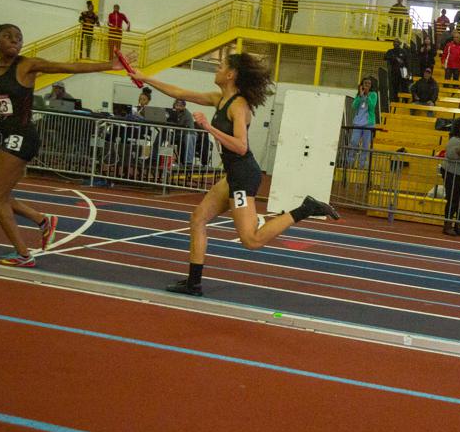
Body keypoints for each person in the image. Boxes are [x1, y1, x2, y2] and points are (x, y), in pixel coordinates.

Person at [131, 52, 340, 295]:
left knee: (251, 240)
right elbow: (179, 93)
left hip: (243, 175)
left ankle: (306, 208)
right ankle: (193, 282)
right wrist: (144, 77)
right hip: (232, 174)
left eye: (220, 66)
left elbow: (241, 146)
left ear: (230, 75)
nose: (216, 70)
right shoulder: (219, 99)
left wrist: (209, 128)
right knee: (198, 219)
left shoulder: (239, 106)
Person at [0, 23, 133, 266]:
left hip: (23, 136)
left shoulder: (27, 65)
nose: (14, 40)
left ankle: (23, 254)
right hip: (10, 136)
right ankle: (42, 220)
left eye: (19, 37)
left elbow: (68, 66)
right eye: (8, 36)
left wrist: (110, 65)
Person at [346, 78, 379, 168]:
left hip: (368, 123)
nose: (367, 85)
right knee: (354, 142)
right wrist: (360, 96)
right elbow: (354, 106)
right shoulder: (359, 95)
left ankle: (362, 164)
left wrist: (367, 95)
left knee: (365, 144)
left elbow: (372, 106)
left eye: (369, 84)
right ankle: (350, 162)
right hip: (358, 123)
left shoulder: (373, 94)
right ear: (362, 84)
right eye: (365, 83)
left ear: (371, 86)